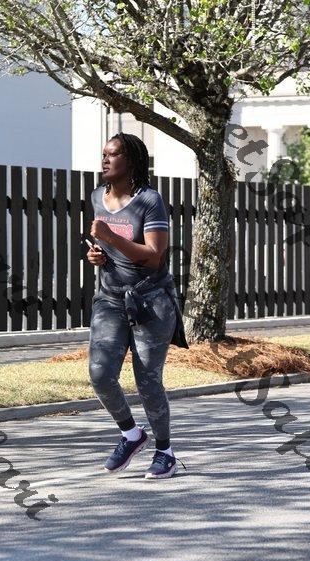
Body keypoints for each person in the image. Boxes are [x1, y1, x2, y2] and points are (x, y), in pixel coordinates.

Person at [86, 132, 187, 479]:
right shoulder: (97, 197)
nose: (105, 160)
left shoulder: (149, 201)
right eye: (103, 154)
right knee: (100, 375)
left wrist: (110, 237)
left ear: (130, 161)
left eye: (113, 154)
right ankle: (131, 434)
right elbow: (108, 248)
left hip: (151, 300)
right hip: (109, 299)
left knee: (147, 381)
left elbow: (154, 256)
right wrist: (98, 254)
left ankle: (165, 451)